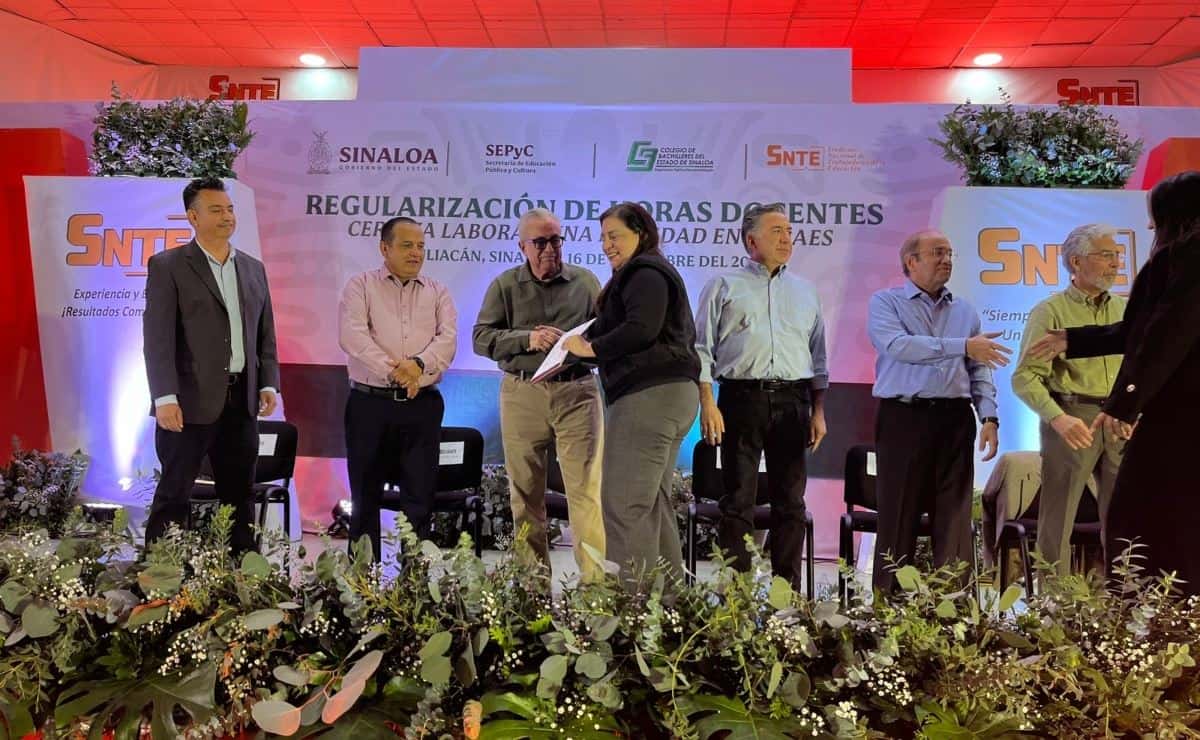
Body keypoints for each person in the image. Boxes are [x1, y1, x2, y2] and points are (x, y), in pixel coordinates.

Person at [1026, 171, 1200, 593]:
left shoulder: (1186, 257)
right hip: (1139, 414)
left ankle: (1154, 608)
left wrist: (1124, 403)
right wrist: (1073, 339)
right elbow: (1139, 331)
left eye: (1155, 215)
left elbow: (1166, 335)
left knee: (1139, 516)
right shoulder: (1051, 308)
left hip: (1178, 415)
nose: (1149, 226)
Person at [562, 202, 700, 588]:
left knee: (623, 505)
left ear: (641, 234)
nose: (607, 244)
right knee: (651, 504)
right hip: (670, 397)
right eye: (603, 237)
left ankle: (633, 609)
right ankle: (670, 605)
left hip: (648, 397)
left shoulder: (644, 272)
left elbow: (641, 329)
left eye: (615, 235)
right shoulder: (648, 271)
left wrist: (590, 348)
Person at [693, 203, 828, 590]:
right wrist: (707, 402)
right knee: (738, 501)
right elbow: (701, 349)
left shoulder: (806, 292)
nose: (786, 239)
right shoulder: (723, 286)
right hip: (741, 399)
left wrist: (819, 411)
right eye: (776, 231)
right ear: (751, 241)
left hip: (794, 401)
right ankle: (736, 595)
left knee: (791, 502)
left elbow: (818, 356)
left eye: (789, 231)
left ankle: (787, 595)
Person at [142, 176, 279, 554]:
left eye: (230, 209)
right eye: (216, 210)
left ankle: (241, 573)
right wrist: (164, 397)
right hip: (187, 402)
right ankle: (160, 571)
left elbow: (265, 333)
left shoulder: (253, 268)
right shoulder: (169, 266)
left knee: (240, 495)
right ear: (193, 216)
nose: (227, 217)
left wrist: (268, 383)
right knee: (174, 492)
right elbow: (157, 338)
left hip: (241, 401)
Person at [866, 229, 1008, 592]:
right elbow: (899, 346)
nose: (946, 260)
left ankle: (954, 607)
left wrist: (989, 416)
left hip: (954, 420)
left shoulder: (965, 310)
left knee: (954, 520)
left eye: (949, 253)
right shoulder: (886, 303)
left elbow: (979, 369)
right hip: (903, 417)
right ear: (911, 262)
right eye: (937, 253)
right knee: (898, 516)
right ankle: (889, 607)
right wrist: (962, 346)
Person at [472, 208, 606, 582]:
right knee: (525, 494)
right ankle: (533, 589)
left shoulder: (585, 282)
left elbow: (607, 335)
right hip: (522, 392)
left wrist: (584, 346)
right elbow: (480, 338)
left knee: (585, 493)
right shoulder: (504, 285)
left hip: (577, 391)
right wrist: (526, 338)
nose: (550, 249)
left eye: (556, 240)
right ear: (523, 247)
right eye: (541, 242)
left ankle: (596, 589)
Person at [1011, 224, 1127, 577]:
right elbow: (1024, 377)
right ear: (1076, 262)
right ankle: (1054, 603)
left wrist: (1133, 410)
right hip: (1072, 415)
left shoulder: (1127, 310)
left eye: (1117, 255)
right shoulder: (1050, 312)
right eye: (1106, 255)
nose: (1115, 263)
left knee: (1125, 517)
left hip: (1119, 419)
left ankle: (1126, 598)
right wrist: (1057, 418)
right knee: (1058, 518)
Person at [339, 216, 457, 561]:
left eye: (420, 246)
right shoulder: (360, 286)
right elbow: (353, 336)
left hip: (422, 405)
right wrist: (396, 371)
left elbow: (447, 340)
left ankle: (414, 582)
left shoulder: (438, 292)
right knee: (365, 497)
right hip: (369, 404)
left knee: (419, 498)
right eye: (407, 245)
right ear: (384, 248)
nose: (416, 253)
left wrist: (418, 366)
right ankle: (362, 581)